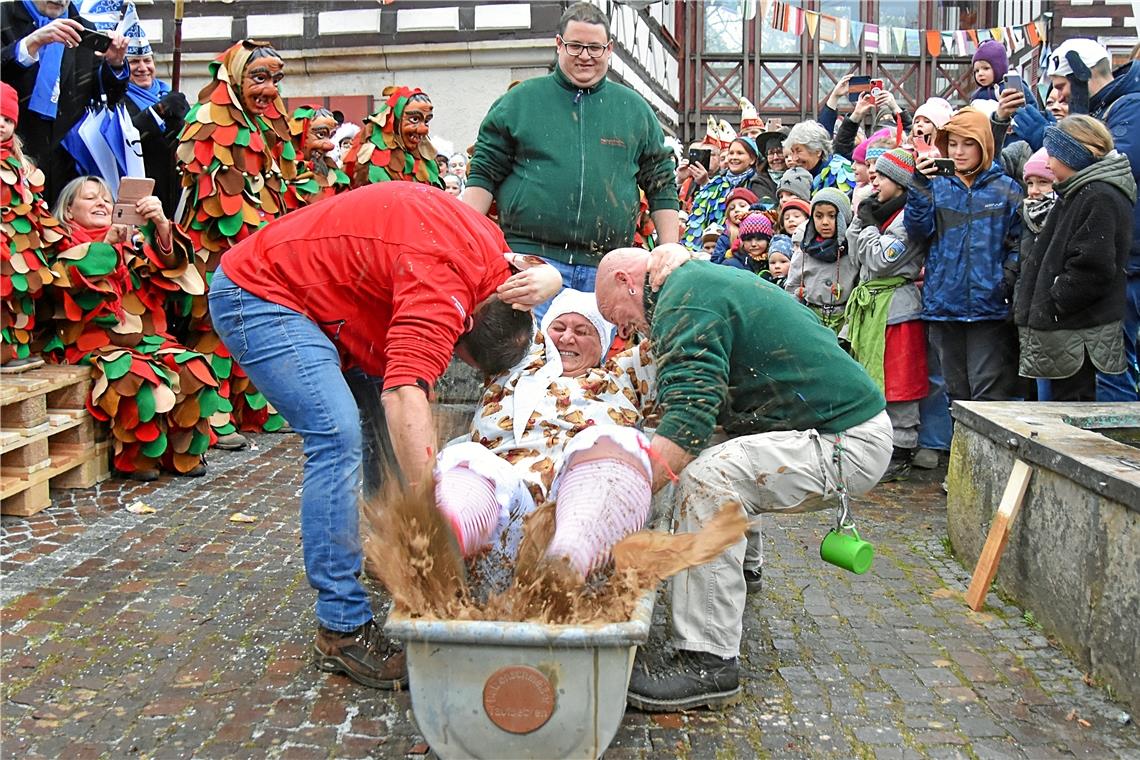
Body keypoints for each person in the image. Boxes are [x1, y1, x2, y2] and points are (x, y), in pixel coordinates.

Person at [207, 182, 565, 690]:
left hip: (332, 295)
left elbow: (540, 271)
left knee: (387, 421)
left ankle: (396, 556)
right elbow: (405, 396)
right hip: (262, 294)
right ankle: (341, 627)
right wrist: (436, 514)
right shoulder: (441, 292)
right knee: (338, 435)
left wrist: (549, 275)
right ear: (459, 331)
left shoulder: (496, 265)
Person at [593, 248, 891, 712]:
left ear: (626, 280)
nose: (628, 331)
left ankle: (708, 661)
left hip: (844, 442)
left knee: (707, 477)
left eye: (621, 318)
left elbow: (688, 420)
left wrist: (618, 507)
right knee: (713, 458)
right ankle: (740, 570)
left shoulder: (681, 301)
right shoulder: (690, 284)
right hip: (833, 428)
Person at [434, 289, 656, 580]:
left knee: (616, 444)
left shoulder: (623, 376)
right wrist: (544, 278)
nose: (566, 338)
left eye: (582, 331)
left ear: (602, 342)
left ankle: (569, 558)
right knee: (467, 456)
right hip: (505, 512)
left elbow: (679, 338)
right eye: (559, 328)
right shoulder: (514, 365)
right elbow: (479, 305)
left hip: (578, 501)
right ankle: (453, 531)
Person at [463, 2, 679, 299]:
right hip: (529, 263)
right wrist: (461, 239)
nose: (585, 56)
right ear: (558, 45)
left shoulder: (634, 109)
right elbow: (484, 174)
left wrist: (670, 248)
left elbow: (661, 182)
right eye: (575, 46)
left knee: (600, 346)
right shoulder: (520, 102)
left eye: (595, 48)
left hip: (607, 267)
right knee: (529, 346)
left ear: (609, 49)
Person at [46, 176, 219, 479]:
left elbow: (172, 270)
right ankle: (137, 460)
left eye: (105, 199)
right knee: (134, 375)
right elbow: (71, 284)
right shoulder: (59, 244)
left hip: (146, 339)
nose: (101, 203)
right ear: (69, 211)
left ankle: (181, 455)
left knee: (193, 366)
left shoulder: (135, 242)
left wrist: (162, 226)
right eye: (90, 198)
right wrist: (106, 246)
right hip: (96, 344)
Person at [176, 39, 299, 445]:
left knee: (257, 324)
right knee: (216, 326)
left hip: (261, 243)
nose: (270, 89)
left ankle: (256, 408)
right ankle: (215, 416)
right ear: (235, 76)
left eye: (275, 79)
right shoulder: (209, 118)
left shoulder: (263, 123)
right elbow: (216, 201)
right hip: (220, 246)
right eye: (259, 78)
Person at [905, 106, 1023, 404]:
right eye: (953, 143)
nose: (958, 152)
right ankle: (957, 451)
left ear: (983, 145)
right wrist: (918, 183)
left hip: (990, 306)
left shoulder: (1006, 188)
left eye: (968, 143)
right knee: (955, 394)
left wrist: (1007, 276)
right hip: (945, 301)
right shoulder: (935, 184)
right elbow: (918, 231)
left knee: (989, 395)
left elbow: (1022, 241)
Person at [1014, 116, 1136, 401]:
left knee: (1071, 414)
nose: (1049, 163)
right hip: (1068, 330)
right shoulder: (1080, 192)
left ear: (1073, 155)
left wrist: (1055, 300)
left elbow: (1093, 267)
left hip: (1076, 332)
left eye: (1054, 156)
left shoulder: (1099, 196)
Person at [1046, 38, 1140, 401]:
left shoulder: (1129, 107)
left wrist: (1079, 115)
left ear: (1083, 77)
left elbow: (1109, 167)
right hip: (1117, 260)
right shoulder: (1110, 109)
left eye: (1062, 87)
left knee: (1111, 370)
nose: (1057, 97)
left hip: (1125, 265)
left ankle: (1121, 455)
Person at [845, 148, 928, 481]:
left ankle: (902, 447)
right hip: (872, 307)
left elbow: (881, 259)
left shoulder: (909, 218)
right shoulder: (878, 214)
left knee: (899, 382)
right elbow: (856, 255)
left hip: (897, 310)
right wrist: (861, 220)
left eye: (880, 175)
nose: (873, 180)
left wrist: (866, 228)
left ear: (898, 180)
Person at [1, 0, 129, 201]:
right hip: (13, 153)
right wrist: (31, 43)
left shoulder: (82, 27)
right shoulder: (4, 17)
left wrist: (115, 65)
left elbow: (106, 97)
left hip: (67, 161)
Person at [1, 81, 62, 372]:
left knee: (20, 296)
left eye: (7, 119)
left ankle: (17, 349)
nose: (2, 125)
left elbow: (33, 203)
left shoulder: (22, 165)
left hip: (20, 247)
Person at [121, 33, 188, 217]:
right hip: (144, 193)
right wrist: (158, 111)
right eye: (134, 62)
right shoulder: (118, 100)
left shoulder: (168, 93)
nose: (143, 68)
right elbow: (129, 136)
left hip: (175, 189)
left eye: (147, 61)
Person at [785, 188, 857, 335]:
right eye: (818, 216)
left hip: (845, 321)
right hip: (811, 321)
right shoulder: (804, 252)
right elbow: (792, 288)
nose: (825, 222)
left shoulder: (853, 251)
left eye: (832, 216)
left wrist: (847, 332)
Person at [343, 86, 442, 189]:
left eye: (426, 121)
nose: (424, 129)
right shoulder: (373, 157)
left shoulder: (425, 162)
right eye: (414, 119)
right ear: (395, 121)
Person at [682, 137, 763, 251]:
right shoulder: (716, 184)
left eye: (740, 153)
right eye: (731, 153)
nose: (734, 157)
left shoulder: (759, 184)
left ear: (752, 159)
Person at [287, 106, 350, 205]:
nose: (329, 146)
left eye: (330, 136)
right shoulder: (279, 178)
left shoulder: (334, 176)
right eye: (320, 135)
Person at [782, 120, 856, 196]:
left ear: (818, 151)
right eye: (792, 152)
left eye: (798, 151)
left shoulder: (839, 173)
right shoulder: (797, 175)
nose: (794, 158)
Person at [707, 186, 757, 263]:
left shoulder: (763, 229)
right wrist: (728, 254)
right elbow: (715, 260)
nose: (736, 210)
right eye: (732, 208)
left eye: (742, 206)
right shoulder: (726, 236)